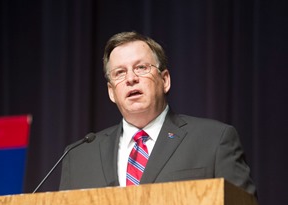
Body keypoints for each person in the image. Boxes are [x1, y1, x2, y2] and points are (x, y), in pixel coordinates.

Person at [59, 31, 256, 195]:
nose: (131, 78)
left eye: (141, 68)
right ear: (111, 91)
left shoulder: (214, 140)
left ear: (165, 80)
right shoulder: (78, 156)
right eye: (120, 72)